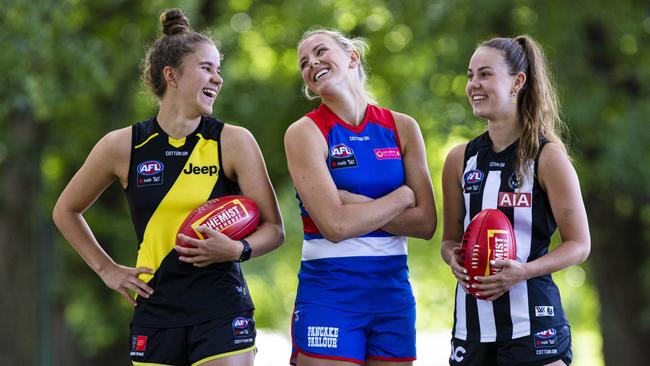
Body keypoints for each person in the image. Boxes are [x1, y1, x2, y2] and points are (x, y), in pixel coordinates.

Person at [52, 8, 284, 366]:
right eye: (207, 67)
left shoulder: (233, 141)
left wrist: (237, 250)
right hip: (156, 311)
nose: (218, 79)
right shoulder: (123, 145)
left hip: (221, 309)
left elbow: (274, 229)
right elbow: (65, 210)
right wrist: (107, 269)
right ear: (171, 74)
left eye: (219, 69)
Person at [284, 29, 437, 366]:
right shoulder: (304, 132)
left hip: (392, 294)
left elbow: (426, 223)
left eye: (321, 52)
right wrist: (402, 197)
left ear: (352, 57)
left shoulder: (402, 126)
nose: (312, 64)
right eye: (304, 64)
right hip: (330, 293)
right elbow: (335, 226)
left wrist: (354, 203)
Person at [440, 35, 591, 366]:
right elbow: (449, 240)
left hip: (533, 325)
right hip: (471, 328)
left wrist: (522, 271)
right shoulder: (459, 159)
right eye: (470, 75)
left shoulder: (547, 157)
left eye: (485, 74)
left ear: (517, 82)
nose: (474, 84)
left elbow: (579, 244)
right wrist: (453, 257)